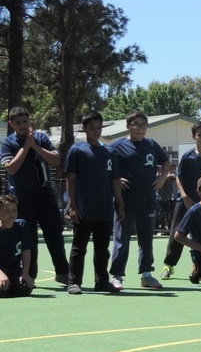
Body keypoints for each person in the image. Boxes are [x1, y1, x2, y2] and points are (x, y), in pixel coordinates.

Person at [0, 106, 69, 285]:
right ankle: (29, 276)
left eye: (25, 121)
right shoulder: (8, 143)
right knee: (28, 239)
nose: (23, 126)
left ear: (29, 121)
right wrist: (25, 147)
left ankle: (63, 272)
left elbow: (55, 160)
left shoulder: (41, 138)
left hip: (46, 196)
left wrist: (35, 146)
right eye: (18, 123)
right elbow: (11, 168)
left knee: (54, 235)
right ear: (12, 124)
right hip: (23, 199)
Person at [65, 111, 125, 295]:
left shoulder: (109, 151)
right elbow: (71, 179)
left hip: (104, 209)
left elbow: (115, 180)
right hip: (84, 209)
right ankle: (74, 282)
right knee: (79, 247)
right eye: (92, 127)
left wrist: (120, 204)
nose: (96, 131)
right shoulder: (77, 150)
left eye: (99, 127)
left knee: (102, 249)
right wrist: (72, 205)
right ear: (84, 129)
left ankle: (102, 282)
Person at [109, 111, 171, 290]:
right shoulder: (117, 146)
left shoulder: (151, 145)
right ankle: (117, 277)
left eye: (143, 125)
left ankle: (146, 276)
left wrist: (162, 177)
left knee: (146, 239)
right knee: (122, 240)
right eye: (136, 124)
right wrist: (116, 180)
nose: (140, 128)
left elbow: (166, 162)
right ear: (128, 126)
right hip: (125, 201)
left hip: (147, 200)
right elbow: (105, 165)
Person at [161, 121, 201, 280]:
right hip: (185, 202)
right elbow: (179, 178)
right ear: (193, 136)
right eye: (199, 135)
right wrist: (184, 197)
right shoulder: (188, 157)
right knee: (177, 233)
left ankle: (199, 264)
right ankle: (169, 266)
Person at [0, 194, 33, 298]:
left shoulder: (22, 226)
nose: (12, 214)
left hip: (14, 269)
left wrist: (25, 273)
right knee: (2, 292)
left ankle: (12, 285)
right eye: (7, 211)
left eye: (14, 210)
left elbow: (26, 251)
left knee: (24, 289)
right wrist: (1, 275)